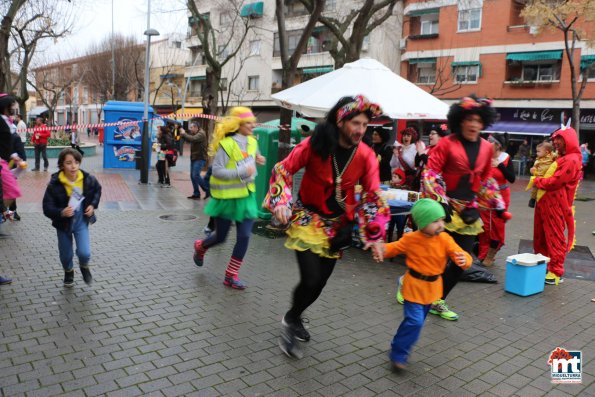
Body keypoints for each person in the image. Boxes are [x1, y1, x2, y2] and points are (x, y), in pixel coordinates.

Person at [264, 95, 389, 358]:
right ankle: (290, 320)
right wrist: (281, 201)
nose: (360, 130)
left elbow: (373, 195)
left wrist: (376, 234)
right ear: (340, 121)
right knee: (310, 278)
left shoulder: (366, 155)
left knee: (319, 284)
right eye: (355, 123)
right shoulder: (316, 144)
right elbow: (283, 170)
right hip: (308, 219)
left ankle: (295, 315)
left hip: (339, 227)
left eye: (365, 125)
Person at [403, 95, 505, 321]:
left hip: (467, 212)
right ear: (460, 120)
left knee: (461, 261)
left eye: (478, 120)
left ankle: (437, 299)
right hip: (443, 210)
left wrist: (496, 205)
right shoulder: (447, 143)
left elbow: (486, 179)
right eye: (469, 119)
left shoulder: (487, 148)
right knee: (431, 256)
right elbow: (431, 172)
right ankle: (409, 286)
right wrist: (441, 201)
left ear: (483, 123)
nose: (473, 124)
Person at [372, 199, 471, 369]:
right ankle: (399, 355)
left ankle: (398, 344)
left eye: (441, 220)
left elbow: (460, 254)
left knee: (414, 322)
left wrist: (465, 260)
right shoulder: (411, 239)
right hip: (413, 287)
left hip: (432, 290)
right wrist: (381, 249)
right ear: (423, 223)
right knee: (415, 322)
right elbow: (393, 248)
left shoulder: (445, 239)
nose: (440, 224)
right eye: (435, 221)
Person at [192, 107, 265, 290]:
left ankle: (231, 276)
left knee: (244, 236)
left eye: (252, 122)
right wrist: (242, 171)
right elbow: (217, 171)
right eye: (248, 122)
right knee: (220, 238)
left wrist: (258, 158)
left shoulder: (252, 141)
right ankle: (201, 246)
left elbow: (250, 156)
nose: (252, 125)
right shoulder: (227, 144)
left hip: (246, 196)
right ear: (238, 124)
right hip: (227, 198)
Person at [42, 148, 102, 287]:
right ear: (62, 165)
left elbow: (97, 190)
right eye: (69, 163)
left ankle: (84, 266)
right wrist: (61, 212)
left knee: (85, 252)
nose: (73, 166)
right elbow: (47, 207)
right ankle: (68, 271)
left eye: (76, 162)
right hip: (63, 224)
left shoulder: (87, 179)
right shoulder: (54, 184)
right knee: (65, 254)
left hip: (81, 221)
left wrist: (92, 205)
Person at [532, 127, 582, 285]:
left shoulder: (571, 159)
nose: (555, 142)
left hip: (557, 205)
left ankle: (556, 271)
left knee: (555, 237)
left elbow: (555, 182)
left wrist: (537, 181)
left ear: (569, 140)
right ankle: (544, 265)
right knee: (541, 236)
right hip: (545, 203)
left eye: (559, 139)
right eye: (554, 139)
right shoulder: (562, 157)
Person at [477, 134, 516, 266]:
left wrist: (499, 166)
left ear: (497, 145)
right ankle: (482, 254)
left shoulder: (505, 158)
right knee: (484, 226)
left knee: (497, 227)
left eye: (489, 142)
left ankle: (491, 253)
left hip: (501, 198)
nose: (486, 144)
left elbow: (512, 178)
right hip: (484, 197)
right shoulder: (484, 158)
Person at [0, 94, 23, 233]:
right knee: (12, 190)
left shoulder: (8, 122)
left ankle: (2, 212)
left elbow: (5, 144)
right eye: (13, 105)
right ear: (6, 106)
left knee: (12, 192)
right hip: (1, 162)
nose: (15, 107)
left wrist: (14, 156)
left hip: (4, 161)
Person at [180, 119, 210, 199]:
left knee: (195, 175)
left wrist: (184, 133)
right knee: (192, 176)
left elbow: (192, 139)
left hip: (200, 158)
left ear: (196, 127)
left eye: (191, 127)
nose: (190, 129)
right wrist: (183, 135)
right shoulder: (196, 133)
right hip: (194, 157)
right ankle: (196, 193)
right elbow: (189, 139)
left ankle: (208, 189)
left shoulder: (201, 134)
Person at [413, 127, 449, 191]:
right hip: (422, 182)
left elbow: (432, 164)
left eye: (432, 134)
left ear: (440, 137)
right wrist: (418, 152)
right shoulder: (428, 148)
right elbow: (417, 163)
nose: (430, 135)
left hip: (433, 185)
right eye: (430, 133)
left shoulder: (442, 149)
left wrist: (421, 154)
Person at [527, 141, 556, 208]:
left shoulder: (552, 156)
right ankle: (533, 199)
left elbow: (558, 156)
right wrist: (532, 170)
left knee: (544, 192)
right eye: (537, 151)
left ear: (546, 152)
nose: (537, 153)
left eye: (539, 151)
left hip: (547, 177)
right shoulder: (538, 160)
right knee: (535, 188)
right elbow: (534, 167)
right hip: (539, 176)